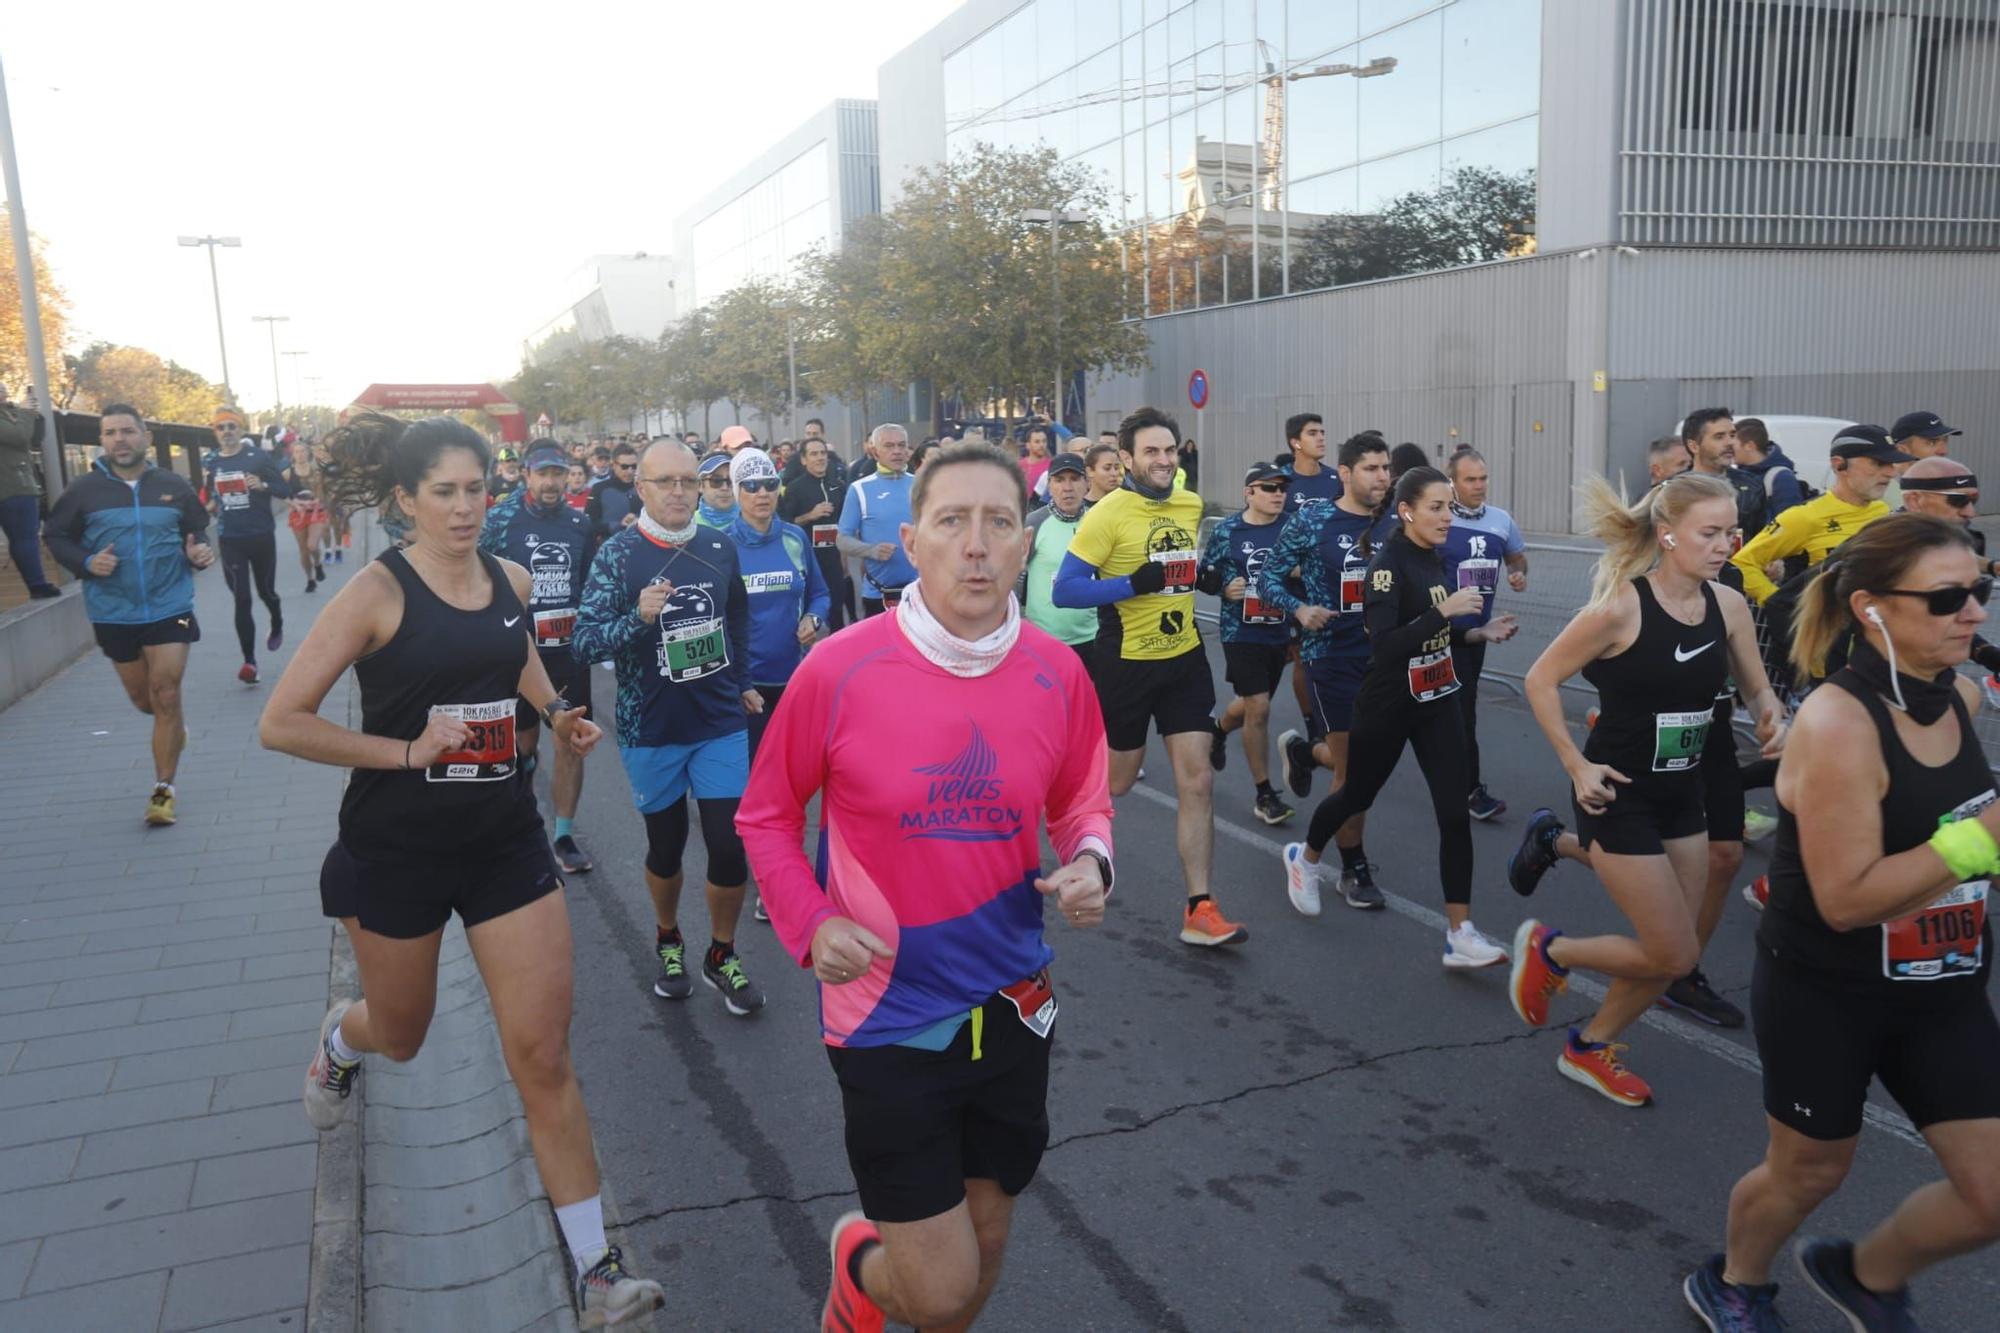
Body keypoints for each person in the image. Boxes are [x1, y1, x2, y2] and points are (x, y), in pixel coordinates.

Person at [260, 413, 662, 1329]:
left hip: (501, 841)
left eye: (477, 487)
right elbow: (282, 720)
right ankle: (340, 1043)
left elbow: (509, 647)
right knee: (401, 1033)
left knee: (543, 1054)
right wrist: (407, 750)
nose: (465, 506)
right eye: (443, 491)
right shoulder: (373, 591)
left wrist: (557, 708)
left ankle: (598, 1271)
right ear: (405, 499)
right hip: (396, 847)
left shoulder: (510, 576)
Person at [738, 441, 1112, 1333]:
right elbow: (765, 815)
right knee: (938, 1289)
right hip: (887, 1013)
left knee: (982, 1246)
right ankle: (859, 1264)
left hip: (1016, 1000)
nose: (976, 545)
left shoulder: (1057, 673)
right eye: (953, 522)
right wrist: (812, 920)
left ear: (1026, 544)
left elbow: (1082, 799)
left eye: (998, 522)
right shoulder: (839, 668)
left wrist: (1093, 861)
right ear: (910, 541)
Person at [1683, 514, 2000, 1333]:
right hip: (1829, 990)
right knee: (1809, 1172)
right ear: (1872, 607)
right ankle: (1736, 1280)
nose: (1975, 612)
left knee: (1993, 1193)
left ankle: (1866, 1274)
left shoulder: (1960, 694)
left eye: (1982, 591)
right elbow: (1849, 898)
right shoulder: (1837, 723)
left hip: (1947, 986)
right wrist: (1978, 841)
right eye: (1948, 597)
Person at [1511, 473, 1786, 1106]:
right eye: (1709, 533)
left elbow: (1755, 687)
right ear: (1668, 536)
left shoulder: (1729, 605)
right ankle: (1553, 950)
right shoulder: (1619, 608)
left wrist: (1773, 713)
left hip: (1682, 790)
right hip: (1618, 791)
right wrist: (1577, 765)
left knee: (1674, 954)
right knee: (1671, 949)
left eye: (1730, 533)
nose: (1725, 545)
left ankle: (1588, 1047)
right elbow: (1539, 679)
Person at [1280, 467, 1517, 966]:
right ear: (1406, 511)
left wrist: (1477, 633)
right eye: (1437, 507)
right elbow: (1386, 647)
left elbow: (1436, 635)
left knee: (1454, 814)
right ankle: (1307, 856)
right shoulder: (1385, 568)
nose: (1447, 516)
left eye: (1450, 507)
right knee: (1356, 794)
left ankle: (1460, 934)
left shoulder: (1434, 558)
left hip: (1436, 700)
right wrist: (1444, 613)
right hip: (1388, 703)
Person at [572, 440, 767, 1017]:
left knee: (730, 847)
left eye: (689, 481)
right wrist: (638, 617)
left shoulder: (718, 545)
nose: (680, 492)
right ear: (642, 489)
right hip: (650, 725)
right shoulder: (619, 555)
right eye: (666, 482)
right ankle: (668, 938)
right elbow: (584, 641)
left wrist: (740, 678)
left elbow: (736, 613)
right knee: (667, 846)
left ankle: (722, 953)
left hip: (718, 721)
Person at [1054, 407, 1249, 947]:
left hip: (1184, 658)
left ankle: (1199, 909)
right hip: (1127, 666)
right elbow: (1065, 590)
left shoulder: (1188, 504)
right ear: (1127, 459)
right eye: (1151, 452)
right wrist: (1130, 584)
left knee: (1199, 779)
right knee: (1115, 783)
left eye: (1169, 450)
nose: (1163, 460)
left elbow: (1179, 565)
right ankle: (1051, 814)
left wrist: (1205, 578)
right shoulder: (1107, 514)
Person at [44, 404, 216, 826]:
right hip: (113, 611)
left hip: (169, 604)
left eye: (127, 431)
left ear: (146, 438)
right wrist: (86, 563)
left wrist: (198, 553)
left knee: (166, 693)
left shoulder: (173, 485)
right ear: (102, 441)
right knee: (146, 703)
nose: (119, 439)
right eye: (110, 433)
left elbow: (196, 532)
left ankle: (163, 791)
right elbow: (55, 535)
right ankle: (173, 732)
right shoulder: (84, 491)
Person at [1268, 433, 1395, 907]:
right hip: (1331, 657)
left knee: (1369, 764)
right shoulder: (1313, 519)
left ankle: (1304, 753)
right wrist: (1299, 611)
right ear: (1345, 473)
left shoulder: (1396, 520)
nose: (1381, 477)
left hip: (1384, 660)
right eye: (1371, 468)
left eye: (1385, 468)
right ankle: (1353, 867)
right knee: (1355, 770)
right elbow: (1269, 577)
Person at [481, 440, 602, 875]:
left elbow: (591, 585)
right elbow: (478, 577)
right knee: (522, 745)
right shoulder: (500, 520)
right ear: (527, 475)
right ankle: (521, 807)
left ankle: (564, 836)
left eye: (559, 473)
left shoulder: (578, 523)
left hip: (568, 653)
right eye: (543, 474)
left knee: (570, 740)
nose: (551, 482)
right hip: (518, 653)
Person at [1200, 462, 1296, 827]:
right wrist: (1224, 587)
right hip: (1240, 631)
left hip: (1279, 629)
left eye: (1281, 489)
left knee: (1256, 703)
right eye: (1268, 488)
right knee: (1259, 708)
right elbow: (1205, 576)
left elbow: (1310, 571)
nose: (1277, 495)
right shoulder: (1228, 530)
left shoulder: (1292, 527)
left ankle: (1219, 730)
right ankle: (1264, 793)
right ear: (1249, 493)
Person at [1439, 447, 1528, 822]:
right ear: (1453, 482)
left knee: (1455, 711)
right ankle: (1468, 791)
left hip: (1480, 634)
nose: (1479, 486)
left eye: (1483, 478)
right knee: (1460, 713)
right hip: (1440, 632)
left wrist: (1518, 573)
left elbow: (1516, 558)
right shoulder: (1439, 518)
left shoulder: (1500, 520)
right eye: (1470, 479)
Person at [725, 446, 828, 759]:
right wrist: (737, 683)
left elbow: (820, 595)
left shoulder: (795, 538)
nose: (762, 493)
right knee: (755, 774)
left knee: (795, 769)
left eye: (770, 484)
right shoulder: (722, 545)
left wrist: (813, 619)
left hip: (794, 676)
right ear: (735, 491)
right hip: (746, 684)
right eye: (751, 485)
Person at [1731, 425, 1905, 606]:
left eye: (1892, 464)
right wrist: (1782, 606)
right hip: (1822, 629)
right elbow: (1742, 564)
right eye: (1878, 463)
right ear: (1839, 465)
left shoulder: (1884, 513)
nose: (1890, 472)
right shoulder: (1804, 517)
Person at [204, 406, 292, 684]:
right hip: (230, 539)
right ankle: (250, 663)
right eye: (221, 427)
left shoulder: (258, 457)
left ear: (240, 430)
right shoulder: (213, 462)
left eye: (232, 426)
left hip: (261, 535)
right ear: (215, 433)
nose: (227, 432)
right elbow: (209, 495)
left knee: (266, 592)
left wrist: (263, 484)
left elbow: (284, 489)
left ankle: (276, 621)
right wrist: (210, 505)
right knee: (242, 598)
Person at [1018, 452, 1099, 672]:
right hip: (1046, 640)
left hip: (1094, 638)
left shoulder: (1100, 520)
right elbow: (1013, 577)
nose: (1067, 487)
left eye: (1074, 479)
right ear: (1050, 485)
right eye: (1059, 480)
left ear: (1087, 483)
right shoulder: (1034, 523)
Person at [838, 424, 918, 616]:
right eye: (889, 446)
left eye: (902, 445)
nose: (897, 451)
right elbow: (842, 540)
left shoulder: (922, 485)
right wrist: (871, 550)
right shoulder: (859, 489)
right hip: (878, 593)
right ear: (875, 452)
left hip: (920, 593)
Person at [778, 435, 852, 631]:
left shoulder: (838, 486)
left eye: (823, 453)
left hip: (833, 558)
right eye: (814, 454)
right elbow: (786, 523)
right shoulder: (795, 488)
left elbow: (846, 524)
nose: (820, 458)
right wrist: (810, 515)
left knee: (836, 611)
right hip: (807, 559)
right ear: (803, 460)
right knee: (808, 615)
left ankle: (839, 656)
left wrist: (844, 555)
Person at [0, 382, 59, 598]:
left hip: (17, 483)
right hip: (13, 486)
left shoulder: (10, 412)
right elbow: (20, 437)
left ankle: (37, 584)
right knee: (24, 537)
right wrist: (26, 412)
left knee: (24, 537)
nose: (5, 392)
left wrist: (29, 414)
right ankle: (37, 585)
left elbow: (34, 437)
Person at [283, 436, 330, 594]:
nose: (300, 454)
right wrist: (296, 503)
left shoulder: (317, 470)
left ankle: (317, 563)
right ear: (293, 454)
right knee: (303, 549)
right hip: (298, 514)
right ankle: (310, 579)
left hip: (316, 512)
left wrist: (317, 500)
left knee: (312, 545)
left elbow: (324, 491)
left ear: (308, 453)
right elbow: (283, 495)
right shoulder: (287, 473)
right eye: (297, 452)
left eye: (303, 451)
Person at [1732, 418, 1805, 518]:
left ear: (1749, 446)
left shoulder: (1781, 478)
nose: (1728, 449)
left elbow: (1790, 522)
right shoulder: (1737, 474)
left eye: (1732, 445)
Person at [1281, 413, 1342, 514]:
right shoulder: (1280, 481)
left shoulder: (1337, 479)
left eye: (1322, 433)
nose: (1321, 438)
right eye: (1312, 434)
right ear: (1296, 443)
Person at [586, 443, 641, 537]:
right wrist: (617, 525)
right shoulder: (599, 489)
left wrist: (639, 520)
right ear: (614, 465)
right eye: (624, 467)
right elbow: (590, 523)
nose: (630, 471)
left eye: (634, 466)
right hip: (610, 546)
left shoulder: (645, 488)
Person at [1891, 409, 1960, 461]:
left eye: (1945, 441)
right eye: (1932, 442)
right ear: (1901, 451)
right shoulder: (1885, 479)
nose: (1944, 451)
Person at [696, 452, 737, 528]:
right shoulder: (688, 524)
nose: (725, 488)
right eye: (716, 481)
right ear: (700, 485)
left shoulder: (752, 521)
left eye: (730, 481)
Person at [1020, 425, 1053, 495]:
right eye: (1037, 442)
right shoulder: (1019, 466)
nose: (1042, 445)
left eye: (1044, 441)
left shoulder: (1052, 465)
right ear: (1028, 445)